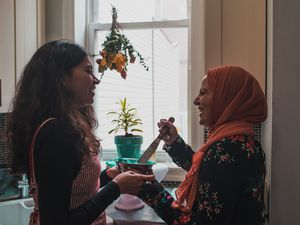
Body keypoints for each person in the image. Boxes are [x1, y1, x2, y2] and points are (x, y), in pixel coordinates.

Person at [6, 40, 154, 225]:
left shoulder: (63, 126)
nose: (96, 79)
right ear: (62, 77)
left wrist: (108, 177)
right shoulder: (57, 134)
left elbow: (71, 189)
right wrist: (116, 188)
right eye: (88, 70)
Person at [139, 65, 268, 225]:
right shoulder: (242, 141)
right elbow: (207, 172)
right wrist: (174, 143)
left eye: (203, 92)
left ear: (225, 97)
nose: (195, 100)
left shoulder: (226, 150)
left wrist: (147, 189)